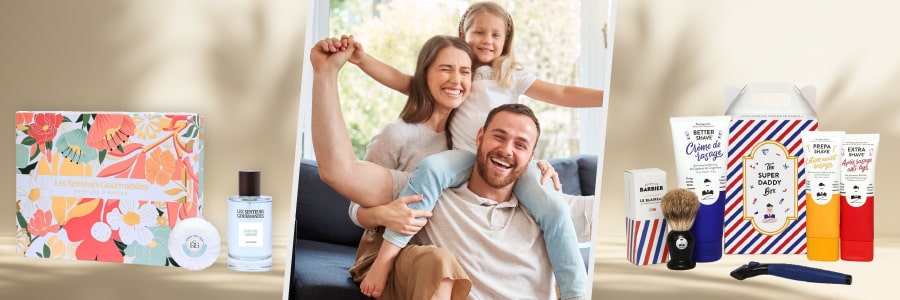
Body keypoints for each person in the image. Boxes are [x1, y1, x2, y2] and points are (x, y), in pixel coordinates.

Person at [345, 2, 601, 299]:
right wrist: (362, 60)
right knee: (429, 170)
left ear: (507, 40)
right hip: (466, 158)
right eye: (478, 32)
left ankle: (575, 294)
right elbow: (403, 81)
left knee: (555, 208)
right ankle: (386, 258)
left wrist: (610, 95)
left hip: (507, 163)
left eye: (496, 35)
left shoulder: (511, 74)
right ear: (462, 33)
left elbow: (561, 93)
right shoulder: (456, 73)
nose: (487, 40)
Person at [311, 35, 475, 300]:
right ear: (424, 75)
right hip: (385, 251)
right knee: (439, 262)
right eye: (445, 69)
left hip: (441, 248)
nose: (456, 79)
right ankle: (324, 74)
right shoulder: (397, 135)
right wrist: (385, 215)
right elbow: (355, 208)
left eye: (465, 72)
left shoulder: (466, 141)